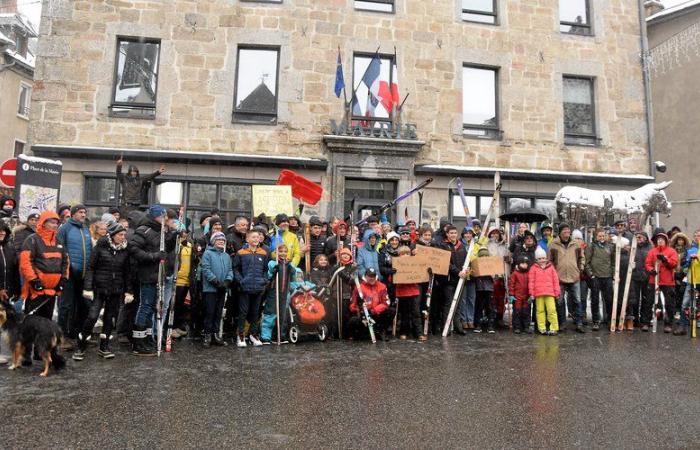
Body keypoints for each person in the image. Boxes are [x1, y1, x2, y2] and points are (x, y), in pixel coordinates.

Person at [75, 222, 132, 361]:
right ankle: (81, 346)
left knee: (109, 319)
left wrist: (128, 291)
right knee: (92, 316)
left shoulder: (125, 250)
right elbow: (91, 268)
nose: (123, 237)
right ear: (112, 235)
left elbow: (127, 272)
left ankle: (104, 347)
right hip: (99, 288)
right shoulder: (101, 247)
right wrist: (88, 288)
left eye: (124, 234)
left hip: (115, 289)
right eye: (120, 234)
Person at [129, 205, 176, 356]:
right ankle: (138, 341)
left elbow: (165, 248)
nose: (166, 220)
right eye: (163, 217)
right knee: (145, 306)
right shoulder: (144, 230)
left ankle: (148, 336)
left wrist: (174, 236)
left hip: (159, 275)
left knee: (153, 308)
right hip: (148, 274)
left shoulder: (160, 231)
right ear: (156, 217)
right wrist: (154, 256)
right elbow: (134, 250)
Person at [19, 211, 69, 321]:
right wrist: (33, 280)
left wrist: (63, 279)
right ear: (43, 223)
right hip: (36, 290)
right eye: (52, 222)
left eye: (56, 223)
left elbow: (65, 261)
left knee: (46, 323)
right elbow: (25, 262)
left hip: (52, 290)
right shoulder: (32, 240)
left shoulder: (58, 241)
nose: (55, 225)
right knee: (32, 322)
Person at [56, 204, 92, 349]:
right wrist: (64, 269)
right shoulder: (65, 228)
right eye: (81, 212)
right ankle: (61, 337)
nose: (83, 215)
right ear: (73, 214)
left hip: (83, 275)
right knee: (65, 306)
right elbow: (59, 250)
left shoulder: (85, 228)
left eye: (85, 212)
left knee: (84, 305)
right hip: (69, 274)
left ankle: (77, 335)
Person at [233, 229, 269, 347]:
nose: (256, 239)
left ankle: (253, 334)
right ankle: (241, 335)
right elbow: (235, 269)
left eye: (257, 237)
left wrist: (264, 280)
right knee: (243, 312)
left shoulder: (263, 253)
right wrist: (241, 281)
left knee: (255, 312)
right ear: (247, 239)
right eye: (253, 237)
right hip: (245, 287)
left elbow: (265, 270)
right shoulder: (241, 253)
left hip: (258, 287)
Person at [548, 223, 585, 333]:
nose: (566, 233)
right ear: (559, 233)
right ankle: (562, 323)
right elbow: (549, 260)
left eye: (568, 231)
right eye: (564, 231)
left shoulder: (576, 244)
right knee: (559, 301)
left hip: (574, 276)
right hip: (559, 277)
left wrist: (580, 268)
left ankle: (579, 323)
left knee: (577, 300)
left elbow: (582, 258)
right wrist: (553, 273)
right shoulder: (553, 245)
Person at [200, 231, 233, 347]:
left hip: (222, 288)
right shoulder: (207, 253)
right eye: (219, 240)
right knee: (210, 312)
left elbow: (230, 270)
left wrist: (227, 281)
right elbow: (206, 269)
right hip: (210, 288)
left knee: (218, 313)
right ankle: (207, 335)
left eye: (223, 240)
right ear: (213, 241)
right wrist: (215, 281)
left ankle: (215, 334)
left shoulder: (226, 255)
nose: (221, 242)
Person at [644, 229, 678, 334]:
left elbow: (674, 264)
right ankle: (646, 322)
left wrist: (665, 260)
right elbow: (647, 264)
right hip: (653, 280)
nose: (660, 241)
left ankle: (668, 324)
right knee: (649, 301)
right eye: (658, 239)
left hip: (667, 281)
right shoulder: (652, 251)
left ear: (666, 241)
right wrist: (651, 270)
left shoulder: (671, 251)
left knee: (669, 303)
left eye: (662, 239)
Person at [261, 244, 295, 344]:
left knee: (283, 315)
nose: (283, 253)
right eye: (280, 251)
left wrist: (289, 265)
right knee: (270, 314)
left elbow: (293, 274)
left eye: (285, 251)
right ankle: (265, 336)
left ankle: (280, 335)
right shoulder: (272, 263)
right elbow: (268, 277)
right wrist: (274, 271)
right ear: (276, 253)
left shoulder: (288, 264)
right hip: (273, 292)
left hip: (284, 293)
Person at [438, 225, 468, 335]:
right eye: (451, 233)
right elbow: (446, 263)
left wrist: (466, 270)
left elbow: (466, 260)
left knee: (458, 304)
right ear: (447, 234)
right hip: (449, 280)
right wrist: (457, 272)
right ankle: (445, 327)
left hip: (460, 280)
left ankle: (457, 326)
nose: (453, 235)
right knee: (448, 303)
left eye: (455, 233)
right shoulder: (443, 246)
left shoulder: (462, 246)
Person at [348, 268, 390, 341]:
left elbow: (386, 303)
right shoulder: (359, 288)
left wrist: (373, 311)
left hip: (376, 313)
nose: (372, 278)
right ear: (365, 276)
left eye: (373, 276)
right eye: (370, 276)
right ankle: (362, 333)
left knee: (391, 311)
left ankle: (381, 331)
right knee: (353, 320)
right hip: (364, 314)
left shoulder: (382, 286)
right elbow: (352, 304)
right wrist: (360, 309)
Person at [584, 229, 614, 330]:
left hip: (607, 276)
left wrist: (613, 273)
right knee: (595, 300)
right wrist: (591, 275)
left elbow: (613, 261)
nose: (602, 238)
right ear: (596, 237)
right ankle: (596, 321)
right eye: (599, 236)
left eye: (603, 236)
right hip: (596, 277)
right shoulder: (591, 246)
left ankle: (610, 319)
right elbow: (586, 262)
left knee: (609, 300)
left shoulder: (610, 246)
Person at [529, 247, 561, 335]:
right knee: (540, 311)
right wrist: (531, 293)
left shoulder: (551, 268)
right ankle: (542, 328)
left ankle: (554, 327)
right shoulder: (533, 268)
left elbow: (555, 280)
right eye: (539, 258)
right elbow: (531, 281)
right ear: (536, 259)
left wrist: (557, 292)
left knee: (552, 310)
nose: (542, 260)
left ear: (546, 258)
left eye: (543, 258)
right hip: (538, 294)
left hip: (550, 293)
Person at [393, 246, 423, 341]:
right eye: (403, 254)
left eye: (407, 253)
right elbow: (392, 280)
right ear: (399, 255)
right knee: (404, 313)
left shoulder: (414, 263)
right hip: (402, 292)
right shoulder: (396, 264)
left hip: (414, 291)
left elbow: (420, 275)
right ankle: (403, 332)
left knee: (416, 313)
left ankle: (418, 333)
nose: (405, 255)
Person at [172, 226, 194, 339]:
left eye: (186, 232)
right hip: (177, 280)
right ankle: (172, 327)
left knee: (181, 305)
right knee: (174, 305)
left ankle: (178, 326)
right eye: (182, 232)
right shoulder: (174, 245)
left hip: (187, 280)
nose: (184, 234)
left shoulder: (189, 245)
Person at [628, 231, 652, 330]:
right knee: (635, 299)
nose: (639, 239)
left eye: (640, 237)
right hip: (635, 277)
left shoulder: (650, 248)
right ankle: (635, 319)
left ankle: (645, 319)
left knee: (646, 299)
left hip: (647, 277)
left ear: (645, 238)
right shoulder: (632, 248)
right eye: (637, 237)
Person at [458, 226, 478, 330]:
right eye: (466, 233)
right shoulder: (459, 245)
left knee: (471, 299)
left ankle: (470, 320)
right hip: (463, 275)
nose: (468, 235)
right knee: (463, 300)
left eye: (470, 233)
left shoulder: (475, 245)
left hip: (473, 276)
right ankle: (464, 320)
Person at [671, 231, 690, 332]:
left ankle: (682, 315)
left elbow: (686, 263)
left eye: (682, 240)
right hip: (673, 274)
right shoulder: (673, 250)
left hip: (682, 275)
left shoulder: (687, 251)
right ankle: (676, 312)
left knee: (682, 293)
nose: (680, 241)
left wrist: (682, 273)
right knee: (674, 294)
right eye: (679, 239)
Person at [473, 248, 496, 334]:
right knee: (479, 307)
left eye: (486, 256)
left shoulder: (491, 265)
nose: (484, 257)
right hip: (479, 288)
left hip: (489, 289)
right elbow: (473, 276)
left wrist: (493, 275)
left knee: (489, 307)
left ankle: (490, 325)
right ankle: (478, 325)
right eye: (482, 256)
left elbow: (496, 277)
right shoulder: (476, 264)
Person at [509, 255, 531, 334]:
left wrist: (531, 294)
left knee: (526, 312)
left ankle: (526, 327)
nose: (524, 265)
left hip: (527, 296)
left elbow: (531, 284)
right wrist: (511, 294)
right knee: (517, 312)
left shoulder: (529, 273)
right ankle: (517, 327)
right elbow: (511, 284)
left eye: (526, 263)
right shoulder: (515, 273)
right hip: (517, 296)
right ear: (518, 264)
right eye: (522, 263)